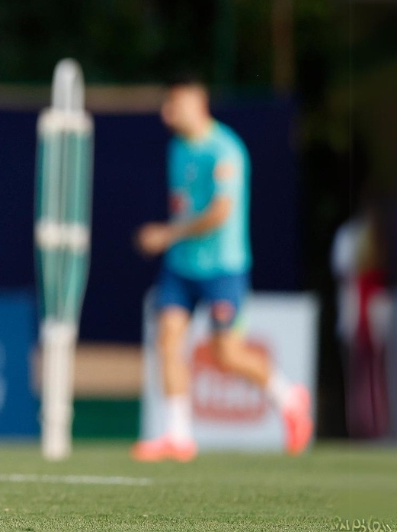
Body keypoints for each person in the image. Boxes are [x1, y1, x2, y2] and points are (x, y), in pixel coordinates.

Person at [130, 74, 314, 461]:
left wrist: (166, 234)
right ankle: (178, 436)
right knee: (167, 339)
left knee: (226, 354)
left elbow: (220, 212)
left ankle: (288, 397)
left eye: (175, 105)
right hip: (181, 267)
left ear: (198, 105)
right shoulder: (178, 148)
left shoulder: (225, 150)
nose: (167, 113)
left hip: (223, 268)